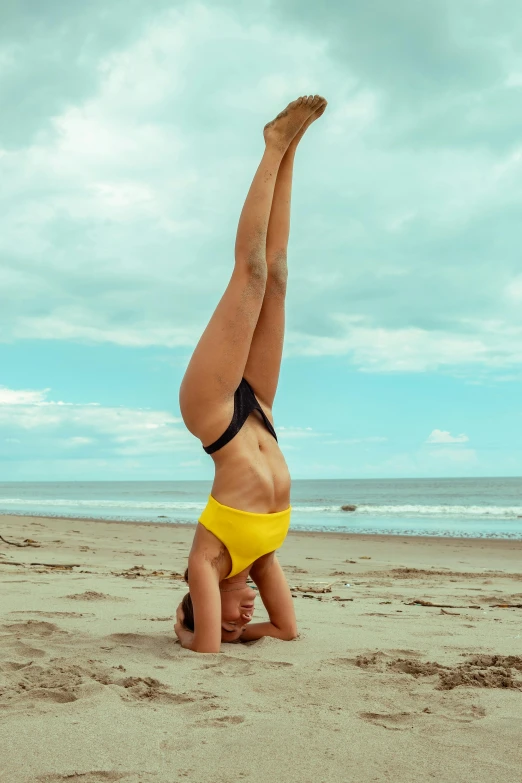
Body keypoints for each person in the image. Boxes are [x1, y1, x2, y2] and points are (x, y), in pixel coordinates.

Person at [174, 94, 327, 653]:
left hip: (214, 416)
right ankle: (290, 156)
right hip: (258, 412)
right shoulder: (259, 560)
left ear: (201, 598)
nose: (248, 615)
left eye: (233, 618)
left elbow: (205, 647)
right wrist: (250, 636)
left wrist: (194, 630)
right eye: (244, 621)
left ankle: (271, 144)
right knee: (280, 275)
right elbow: (286, 631)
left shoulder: (206, 563)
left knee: (252, 274)